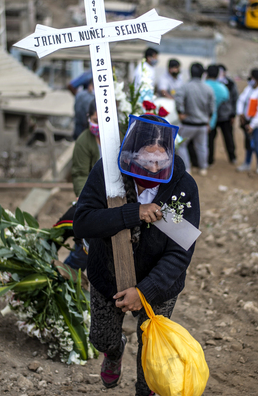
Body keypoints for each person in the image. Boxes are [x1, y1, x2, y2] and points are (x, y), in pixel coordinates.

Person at [73, 114, 200, 396]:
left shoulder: (182, 187)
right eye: (146, 161)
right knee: (102, 338)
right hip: (108, 275)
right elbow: (83, 222)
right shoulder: (108, 173)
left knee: (151, 353)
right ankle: (114, 351)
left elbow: (180, 254)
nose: (153, 168)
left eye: (160, 161)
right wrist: (134, 213)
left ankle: (145, 391)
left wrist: (143, 292)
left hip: (158, 286)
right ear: (131, 155)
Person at [61, 100, 101, 270]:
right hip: (94, 200)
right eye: (95, 120)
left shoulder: (119, 137)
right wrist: (84, 195)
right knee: (84, 252)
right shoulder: (84, 141)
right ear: (88, 118)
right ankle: (63, 279)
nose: (98, 125)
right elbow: (80, 173)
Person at [175, 62, 215, 176]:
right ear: (203, 74)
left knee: (182, 145)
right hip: (202, 123)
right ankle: (203, 168)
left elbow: (178, 100)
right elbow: (212, 107)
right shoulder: (208, 88)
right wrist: (208, 120)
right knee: (202, 146)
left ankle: (187, 168)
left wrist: (180, 112)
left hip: (188, 123)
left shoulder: (185, 87)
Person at [204, 64, 233, 166]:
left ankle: (208, 161)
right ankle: (232, 157)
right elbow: (226, 99)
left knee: (208, 141)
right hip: (216, 117)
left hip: (202, 119)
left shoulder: (203, 85)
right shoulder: (223, 88)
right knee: (227, 138)